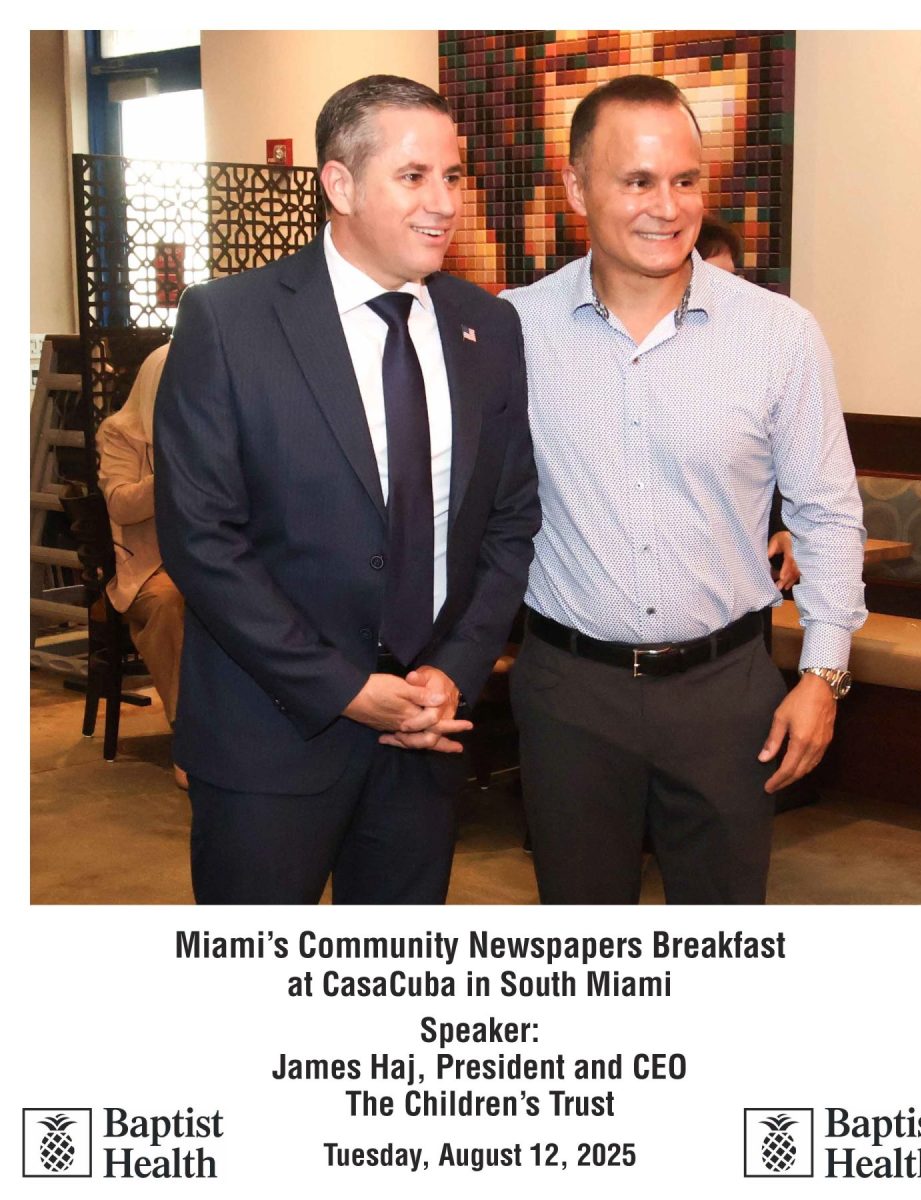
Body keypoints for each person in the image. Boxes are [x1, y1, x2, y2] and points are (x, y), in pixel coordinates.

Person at [154, 75, 540, 905]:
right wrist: (344, 690)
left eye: (453, 175)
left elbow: (510, 523)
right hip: (270, 736)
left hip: (426, 735)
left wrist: (453, 671)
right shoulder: (230, 321)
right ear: (339, 183)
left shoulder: (488, 327)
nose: (444, 203)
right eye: (413, 176)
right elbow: (202, 539)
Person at [502, 75, 865, 905]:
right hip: (568, 693)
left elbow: (827, 514)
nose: (667, 207)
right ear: (576, 189)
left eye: (686, 180)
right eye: (637, 181)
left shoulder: (779, 334)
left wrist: (823, 675)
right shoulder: (513, 331)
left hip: (726, 695)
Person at [96, 343, 187, 789]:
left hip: (206, 559)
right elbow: (120, 504)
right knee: (171, 603)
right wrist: (172, 470)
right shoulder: (120, 432)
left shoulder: (212, 428)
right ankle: (190, 738)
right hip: (148, 570)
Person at [696, 213, 799, 592]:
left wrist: (783, 529)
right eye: (712, 277)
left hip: (741, 587)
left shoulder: (755, 354)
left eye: (732, 277)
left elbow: (768, 463)